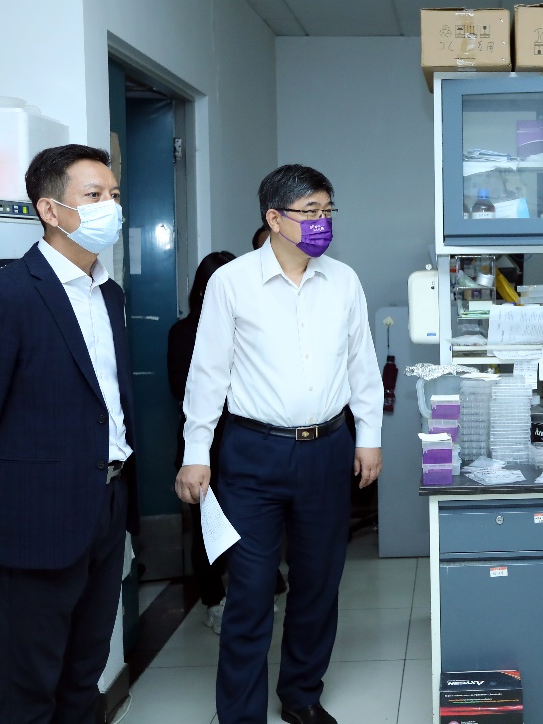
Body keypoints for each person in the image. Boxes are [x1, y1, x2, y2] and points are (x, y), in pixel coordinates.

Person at [0, 144, 137, 724]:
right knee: (27, 685)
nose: (110, 207)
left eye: (114, 194)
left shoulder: (109, 293)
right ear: (50, 210)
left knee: (84, 672)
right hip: (36, 513)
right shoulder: (7, 297)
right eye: (93, 196)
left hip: (108, 501)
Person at [175, 165, 383, 724]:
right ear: (273, 217)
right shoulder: (232, 282)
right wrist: (195, 453)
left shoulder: (343, 281)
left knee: (318, 583)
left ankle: (301, 696)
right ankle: (240, 713)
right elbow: (207, 373)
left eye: (327, 211)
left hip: (327, 449)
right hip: (252, 454)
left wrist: (369, 437)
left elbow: (361, 363)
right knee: (250, 589)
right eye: (309, 212)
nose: (322, 222)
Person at [167, 250, 236, 632]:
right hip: (203, 445)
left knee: (246, 521)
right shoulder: (183, 332)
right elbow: (181, 388)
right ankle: (214, 599)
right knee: (207, 525)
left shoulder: (245, 325)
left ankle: (250, 592)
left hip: (243, 442)